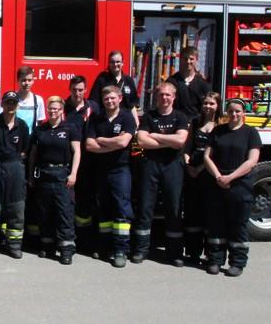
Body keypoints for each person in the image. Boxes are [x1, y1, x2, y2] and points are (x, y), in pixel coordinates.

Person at [133, 82, 190, 266]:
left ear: (174, 97)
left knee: (173, 208)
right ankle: (141, 250)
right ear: (156, 97)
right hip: (151, 165)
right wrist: (169, 141)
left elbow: (180, 141)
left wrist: (155, 136)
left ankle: (174, 253)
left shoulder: (180, 117)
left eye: (167, 95)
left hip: (173, 166)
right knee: (145, 207)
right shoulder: (149, 116)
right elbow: (141, 141)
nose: (164, 98)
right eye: (161, 95)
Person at [202, 98, 261, 277]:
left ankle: (237, 262)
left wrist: (231, 177)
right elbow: (207, 157)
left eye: (237, 111)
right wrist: (219, 176)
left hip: (240, 184)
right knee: (216, 223)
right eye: (230, 111)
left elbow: (252, 161)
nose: (234, 114)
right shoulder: (218, 131)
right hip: (217, 181)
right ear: (226, 113)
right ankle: (215, 260)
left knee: (238, 225)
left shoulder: (250, 133)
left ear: (243, 113)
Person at [85, 86, 137, 268]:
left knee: (122, 210)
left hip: (120, 170)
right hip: (101, 170)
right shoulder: (96, 118)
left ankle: (120, 250)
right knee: (103, 209)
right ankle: (105, 246)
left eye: (113, 98)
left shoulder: (127, 117)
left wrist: (102, 140)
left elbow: (124, 142)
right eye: (106, 98)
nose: (109, 101)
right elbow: (89, 145)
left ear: (120, 98)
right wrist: (114, 142)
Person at [28, 96, 81, 264]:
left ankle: (66, 249)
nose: (53, 112)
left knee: (64, 213)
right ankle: (47, 245)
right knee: (45, 213)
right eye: (50, 109)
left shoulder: (70, 128)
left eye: (56, 109)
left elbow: (77, 152)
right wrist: (30, 175)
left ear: (61, 111)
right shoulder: (40, 129)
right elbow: (33, 154)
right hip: (44, 174)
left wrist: (73, 174)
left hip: (62, 175)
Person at [0, 91, 30, 259]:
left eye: (13, 103)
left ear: (17, 105)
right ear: (2, 104)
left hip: (15, 167)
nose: (10, 106)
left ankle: (14, 245)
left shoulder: (22, 126)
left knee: (16, 208)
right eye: (8, 102)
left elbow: (24, 150)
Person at [182, 92, 221, 264]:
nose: (208, 107)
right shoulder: (196, 122)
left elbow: (217, 154)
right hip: (192, 174)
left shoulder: (222, 125)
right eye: (205, 103)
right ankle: (192, 252)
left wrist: (199, 169)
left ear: (218, 106)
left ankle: (211, 254)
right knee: (192, 214)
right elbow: (187, 146)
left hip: (210, 175)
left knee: (210, 215)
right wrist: (188, 165)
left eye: (212, 103)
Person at [64, 75, 100, 253]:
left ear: (85, 91)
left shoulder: (93, 108)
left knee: (86, 204)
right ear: (69, 89)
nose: (77, 93)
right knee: (67, 203)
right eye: (74, 90)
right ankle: (68, 239)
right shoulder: (64, 108)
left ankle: (85, 243)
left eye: (80, 90)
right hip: (67, 162)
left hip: (88, 162)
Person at [89, 51, 140, 115]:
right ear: (109, 63)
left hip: (124, 119)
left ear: (122, 63)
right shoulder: (102, 79)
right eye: (112, 62)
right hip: (106, 118)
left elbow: (132, 104)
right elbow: (94, 101)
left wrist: (136, 121)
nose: (115, 64)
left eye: (118, 62)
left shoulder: (128, 80)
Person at [167, 46, 211, 121]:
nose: (188, 61)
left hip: (196, 122)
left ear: (196, 60)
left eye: (191, 59)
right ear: (180, 59)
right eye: (185, 58)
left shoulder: (202, 83)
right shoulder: (171, 81)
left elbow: (208, 105)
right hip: (176, 121)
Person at [13, 65, 45, 130]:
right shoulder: (10, 99)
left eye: (29, 80)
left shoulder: (38, 100)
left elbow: (40, 123)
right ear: (18, 80)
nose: (27, 83)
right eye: (23, 80)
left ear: (33, 81)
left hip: (31, 139)